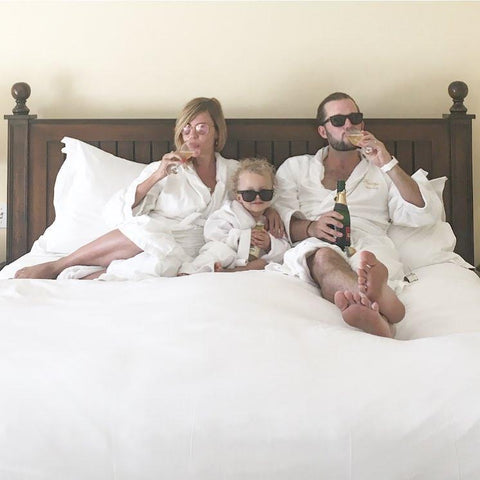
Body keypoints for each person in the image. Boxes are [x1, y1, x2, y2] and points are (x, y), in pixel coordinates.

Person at [14, 98, 282, 280]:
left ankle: (90, 276)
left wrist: (270, 212)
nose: (193, 135)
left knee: (155, 266)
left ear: (216, 132)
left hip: (194, 250)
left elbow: (256, 196)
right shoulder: (165, 168)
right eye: (187, 129)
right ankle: (58, 265)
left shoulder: (234, 171)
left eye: (201, 128)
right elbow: (120, 213)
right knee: (146, 230)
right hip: (154, 234)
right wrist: (157, 175)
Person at [269, 92, 443, 338]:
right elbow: (282, 223)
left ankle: (377, 301)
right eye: (338, 120)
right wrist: (312, 227)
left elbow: (421, 212)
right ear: (323, 131)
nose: (348, 125)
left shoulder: (380, 169)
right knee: (322, 259)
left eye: (355, 118)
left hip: (370, 242)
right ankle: (385, 311)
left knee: (368, 262)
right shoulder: (297, 167)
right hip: (320, 241)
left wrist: (387, 162)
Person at [180, 157, 290, 274]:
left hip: (250, 263)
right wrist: (241, 237)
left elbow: (285, 247)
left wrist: (270, 243)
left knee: (265, 264)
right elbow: (212, 233)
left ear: (272, 194)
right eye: (249, 194)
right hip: (229, 253)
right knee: (220, 252)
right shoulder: (230, 212)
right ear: (238, 197)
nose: (257, 198)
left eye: (264, 193)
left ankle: (234, 270)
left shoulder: (273, 220)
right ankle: (192, 271)